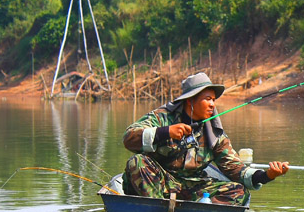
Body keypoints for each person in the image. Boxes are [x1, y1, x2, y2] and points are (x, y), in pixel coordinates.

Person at [122, 72, 289, 204]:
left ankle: (192, 211)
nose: (212, 105)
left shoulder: (214, 134)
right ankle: (157, 208)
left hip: (191, 188)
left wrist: (268, 175)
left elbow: (237, 171)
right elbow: (129, 138)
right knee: (137, 162)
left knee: (238, 192)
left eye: (214, 100)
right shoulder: (162, 117)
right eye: (207, 99)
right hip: (157, 184)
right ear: (190, 101)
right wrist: (165, 132)